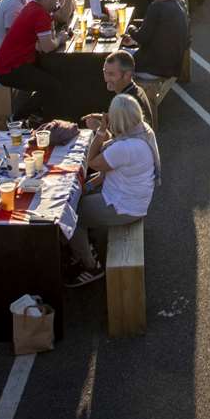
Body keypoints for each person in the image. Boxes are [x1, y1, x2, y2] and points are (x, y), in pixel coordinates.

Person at [67, 93, 161, 285]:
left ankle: (91, 266)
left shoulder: (125, 147)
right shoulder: (142, 131)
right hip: (131, 195)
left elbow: (92, 162)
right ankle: (86, 243)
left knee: (70, 216)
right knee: (79, 196)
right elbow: (112, 161)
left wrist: (101, 132)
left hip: (125, 206)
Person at [0, 0, 72, 117]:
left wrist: (55, 11)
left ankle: (42, 114)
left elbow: (41, 45)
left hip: (11, 63)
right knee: (53, 87)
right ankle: (18, 118)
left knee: (54, 73)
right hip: (10, 69)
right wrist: (61, 38)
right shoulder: (40, 14)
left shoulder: (32, 7)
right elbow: (47, 47)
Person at [102, 49, 154, 123]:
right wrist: (107, 118)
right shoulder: (137, 90)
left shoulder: (126, 103)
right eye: (105, 72)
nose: (106, 79)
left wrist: (99, 129)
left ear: (127, 75)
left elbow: (124, 134)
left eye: (111, 74)